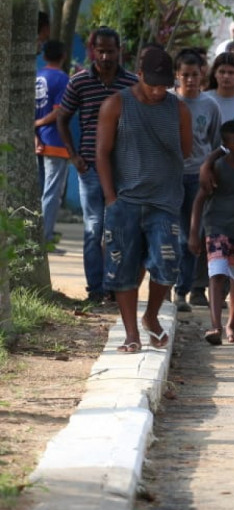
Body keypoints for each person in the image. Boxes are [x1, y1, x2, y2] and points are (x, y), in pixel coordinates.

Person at [94, 44, 193, 353]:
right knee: (122, 270)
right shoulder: (116, 105)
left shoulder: (178, 108)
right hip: (124, 202)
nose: (158, 91)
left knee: (167, 264)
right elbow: (102, 152)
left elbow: (186, 150)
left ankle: (151, 316)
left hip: (164, 202)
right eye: (153, 84)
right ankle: (131, 334)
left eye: (165, 85)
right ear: (139, 76)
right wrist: (111, 197)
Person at [56, 27, 139, 304]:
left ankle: (114, 287)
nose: (105, 56)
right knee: (93, 229)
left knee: (120, 230)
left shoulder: (130, 84)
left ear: (119, 51)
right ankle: (95, 290)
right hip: (89, 168)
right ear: (93, 51)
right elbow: (62, 118)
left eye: (110, 50)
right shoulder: (79, 82)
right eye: (100, 50)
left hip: (122, 170)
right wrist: (73, 155)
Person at [190, 121, 234, 345]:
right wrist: (194, 233)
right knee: (217, 274)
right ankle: (215, 325)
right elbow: (200, 200)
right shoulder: (218, 167)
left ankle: (232, 325)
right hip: (217, 227)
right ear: (226, 145)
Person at [173, 49, 222, 314]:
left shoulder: (209, 106)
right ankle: (167, 284)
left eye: (195, 75)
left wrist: (208, 168)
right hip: (170, 177)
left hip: (197, 178)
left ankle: (184, 290)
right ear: (177, 76)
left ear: (202, 74)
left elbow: (215, 144)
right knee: (169, 235)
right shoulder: (169, 102)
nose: (190, 80)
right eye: (185, 75)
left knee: (192, 236)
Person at [34, 39, 70, 244]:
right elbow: (59, 112)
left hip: (37, 141)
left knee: (39, 191)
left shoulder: (36, 77)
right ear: (63, 55)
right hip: (55, 141)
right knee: (52, 193)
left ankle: (35, 234)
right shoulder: (63, 79)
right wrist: (40, 122)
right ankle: (44, 237)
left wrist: (34, 129)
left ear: (45, 56)